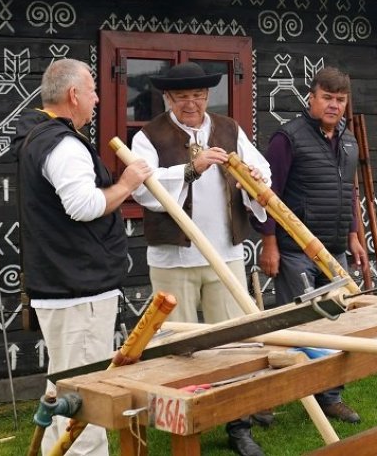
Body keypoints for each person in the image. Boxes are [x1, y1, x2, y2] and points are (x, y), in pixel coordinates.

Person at [11, 58, 151, 456]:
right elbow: (84, 206)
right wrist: (126, 183)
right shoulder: (63, 144)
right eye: (92, 90)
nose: (97, 98)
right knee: (87, 401)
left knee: (66, 389)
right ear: (74, 95)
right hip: (77, 290)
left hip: (65, 285)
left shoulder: (40, 136)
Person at [130, 62, 271, 456]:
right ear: (167, 99)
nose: (191, 103)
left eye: (198, 95)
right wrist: (192, 168)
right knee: (180, 347)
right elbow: (144, 191)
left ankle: (238, 425)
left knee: (233, 343)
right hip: (174, 258)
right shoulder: (148, 136)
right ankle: (187, 427)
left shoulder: (228, 129)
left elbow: (261, 169)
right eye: (182, 97)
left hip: (225, 254)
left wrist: (256, 183)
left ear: (207, 96)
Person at [257, 66, 367, 424]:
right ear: (312, 98)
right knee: (294, 324)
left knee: (335, 323)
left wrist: (353, 234)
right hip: (295, 251)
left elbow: (348, 191)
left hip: (333, 249)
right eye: (327, 98)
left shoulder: (348, 139)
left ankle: (329, 397)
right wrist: (269, 242)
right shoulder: (287, 138)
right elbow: (268, 195)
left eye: (340, 99)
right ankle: (277, 395)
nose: (334, 105)